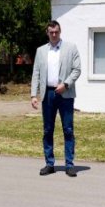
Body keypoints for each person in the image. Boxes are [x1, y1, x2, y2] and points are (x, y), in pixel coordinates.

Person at [30, 20, 82, 177]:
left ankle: (69, 165)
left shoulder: (71, 48)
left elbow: (77, 69)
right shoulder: (40, 51)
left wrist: (66, 84)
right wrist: (33, 95)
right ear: (47, 33)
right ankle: (49, 164)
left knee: (68, 129)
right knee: (47, 130)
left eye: (56, 32)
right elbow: (36, 73)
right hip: (48, 94)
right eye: (51, 32)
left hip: (65, 94)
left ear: (60, 32)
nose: (54, 34)